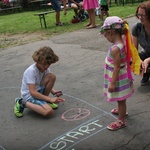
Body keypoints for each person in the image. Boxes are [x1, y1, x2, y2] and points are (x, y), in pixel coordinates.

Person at [100, 16, 136, 131]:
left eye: (105, 35)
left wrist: (112, 84)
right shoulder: (124, 42)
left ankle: (121, 120)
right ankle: (122, 111)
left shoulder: (115, 48)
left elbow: (116, 67)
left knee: (120, 99)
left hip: (117, 77)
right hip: (122, 75)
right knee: (121, 99)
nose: (106, 37)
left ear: (110, 32)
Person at [14, 46, 65, 118]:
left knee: (51, 76)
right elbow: (33, 92)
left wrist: (54, 92)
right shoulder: (31, 71)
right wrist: (50, 99)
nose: (46, 66)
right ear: (38, 61)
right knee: (49, 111)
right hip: (30, 96)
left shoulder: (45, 69)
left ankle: (44, 101)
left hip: (38, 92)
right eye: (44, 64)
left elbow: (45, 81)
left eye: (48, 64)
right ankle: (22, 102)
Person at [131, 1, 150, 86]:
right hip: (146, 54)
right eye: (139, 15)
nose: (140, 18)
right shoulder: (137, 28)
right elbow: (134, 50)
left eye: (143, 15)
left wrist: (147, 60)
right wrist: (139, 61)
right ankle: (146, 73)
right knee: (131, 60)